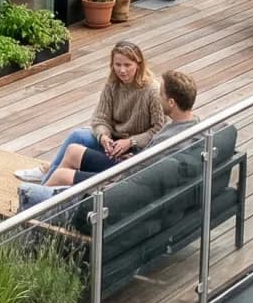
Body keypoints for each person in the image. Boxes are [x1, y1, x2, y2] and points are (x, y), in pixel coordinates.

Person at [20, 71, 202, 208]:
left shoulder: (173, 140)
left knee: (62, 175)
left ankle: (32, 210)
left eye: (161, 94)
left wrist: (130, 158)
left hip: (125, 183)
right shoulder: (194, 125)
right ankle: (40, 195)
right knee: (73, 150)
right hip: (131, 167)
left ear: (171, 103)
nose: (158, 97)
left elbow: (145, 173)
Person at [15, 40, 168, 194]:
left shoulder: (152, 91)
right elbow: (100, 119)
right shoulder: (112, 85)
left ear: (139, 64)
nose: (122, 71)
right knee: (78, 135)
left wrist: (131, 142)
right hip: (112, 144)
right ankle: (45, 182)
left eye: (127, 65)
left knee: (74, 150)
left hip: (135, 150)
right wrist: (103, 136)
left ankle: (44, 182)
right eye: (117, 65)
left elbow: (159, 130)